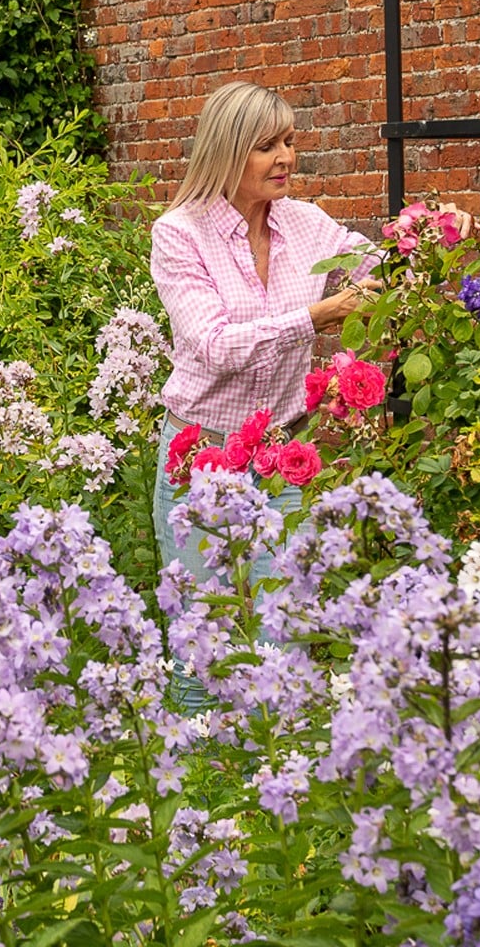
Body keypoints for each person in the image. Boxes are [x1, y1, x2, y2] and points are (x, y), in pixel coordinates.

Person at [149, 81, 380, 598]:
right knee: (203, 630)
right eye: (267, 147)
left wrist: (430, 233)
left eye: (289, 142)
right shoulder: (180, 234)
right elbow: (216, 345)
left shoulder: (307, 224)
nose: (286, 159)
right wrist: (315, 317)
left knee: (280, 626)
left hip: (282, 459)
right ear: (228, 152)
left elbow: (380, 264)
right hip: (202, 459)